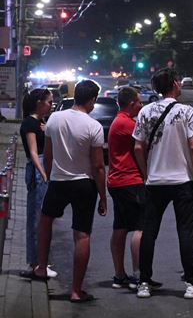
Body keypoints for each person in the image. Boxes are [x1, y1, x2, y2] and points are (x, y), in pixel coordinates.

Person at [132, 68, 193, 299]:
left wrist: (146, 172)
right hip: (181, 181)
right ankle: (192, 284)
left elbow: (138, 147)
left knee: (149, 232)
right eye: (178, 80)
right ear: (175, 84)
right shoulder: (188, 112)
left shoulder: (145, 111)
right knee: (185, 231)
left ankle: (143, 283)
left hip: (155, 180)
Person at [34, 80, 107, 304]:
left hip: (58, 180)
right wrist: (103, 197)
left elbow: (47, 153)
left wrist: (49, 176)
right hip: (84, 184)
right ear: (92, 100)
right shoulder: (93, 126)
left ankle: (42, 267)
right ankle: (76, 291)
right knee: (82, 234)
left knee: (46, 221)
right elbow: (98, 166)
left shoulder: (55, 118)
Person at [107, 86, 146, 289]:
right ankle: (139, 275)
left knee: (120, 227)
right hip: (130, 180)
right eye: (139, 102)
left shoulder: (118, 121)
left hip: (117, 181)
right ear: (131, 104)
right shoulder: (127, 123)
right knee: (140, 228)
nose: (141, 105)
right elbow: (144, 143)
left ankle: (119, 275)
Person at [19, 88, 58, 279]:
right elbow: (34, 152)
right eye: (49, 102)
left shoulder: (41, 123)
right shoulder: (29, 123)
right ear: (39, 102)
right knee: (38, 218)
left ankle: (37, 261)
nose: (52, 105)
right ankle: (37, 264)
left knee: (41, 217)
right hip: (38, 169)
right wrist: (43, 173)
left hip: (43, 167)